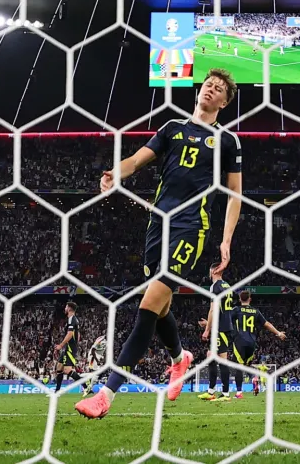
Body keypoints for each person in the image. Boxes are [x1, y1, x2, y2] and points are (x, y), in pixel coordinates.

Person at [76, 68, 242, 419]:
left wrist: (226, 240)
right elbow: (136, 161)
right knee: (160, 306)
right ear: (199, 90)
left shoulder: (227, 141)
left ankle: (106, 394)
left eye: (219, 89)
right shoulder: (171, 128)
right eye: (208, 84)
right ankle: (180, 357)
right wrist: (114, 173)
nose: (211, 90)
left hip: (192, 226)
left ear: (225, 102)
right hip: (157, 225)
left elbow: (235, 195)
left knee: (150, 304)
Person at [215, 290, 285, 401]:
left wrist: (209, 325)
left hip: (239, 341)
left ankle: (239, 392)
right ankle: (254, 378)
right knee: (247, 364)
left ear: (239, 299)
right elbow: (267, 324)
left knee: (238, 366)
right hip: (252, 342)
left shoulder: (236, 310)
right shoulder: (255, 311)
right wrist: (278, 333)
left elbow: (224, 319)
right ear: (250, 299)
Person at [197, 268, 235, 401]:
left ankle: (225, 394)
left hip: (221, 329)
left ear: (214, 271)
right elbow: (223, 311)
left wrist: (207, 330)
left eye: (210, 270)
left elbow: (213, 309)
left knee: (222, 360)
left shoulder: (215, 286)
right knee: (210, 356)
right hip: (223, 326)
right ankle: (211, 391)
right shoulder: (227, 285)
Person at [53, 301, 83, 392]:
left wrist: (60, 345)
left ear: (69, 308)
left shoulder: (71, 319)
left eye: (66, 307)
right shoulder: (74, 319)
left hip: (69, 347)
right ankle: (57, 391)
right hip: (69, 347)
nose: (65, 308)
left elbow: (70, 334)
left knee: (67, 370)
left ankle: (86, 384)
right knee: (59, 367)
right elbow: (78, 334)